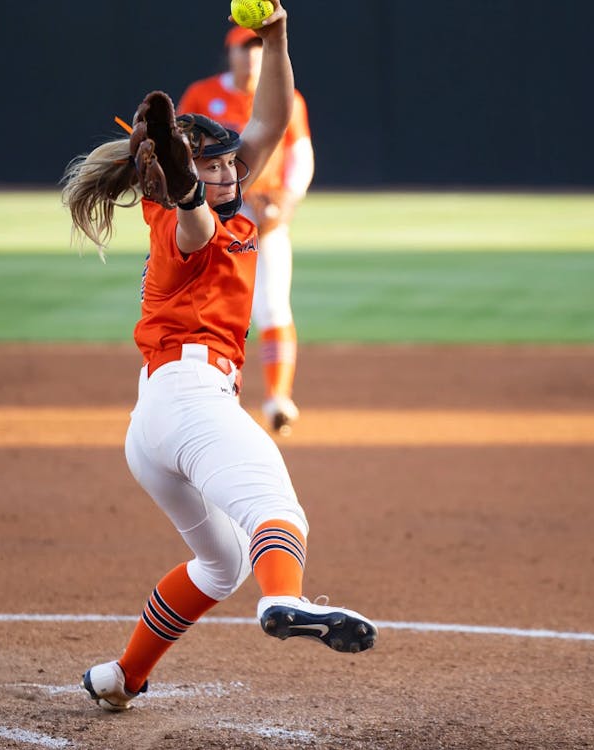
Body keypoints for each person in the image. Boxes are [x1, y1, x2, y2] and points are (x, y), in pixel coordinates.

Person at [61, 2, 376, 713]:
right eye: (213, 164)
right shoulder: (183, 223)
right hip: (192, 402)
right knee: (277, 508)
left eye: (230, 161)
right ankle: (285, 600)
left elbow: (269, 123)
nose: (230, 171)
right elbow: (194, 217)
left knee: (221, 562)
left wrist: (277, 36)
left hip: (154, 424)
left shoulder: (225, 195)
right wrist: (182, 178)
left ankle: (123, 677)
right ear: (181, 175)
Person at [178, 24, 314, 436]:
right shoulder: (202, 94)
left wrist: (288, 202)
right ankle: (219, 399)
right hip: (214, 219)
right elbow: (181, 156)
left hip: (266, 217)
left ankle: (278, 399)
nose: (252, 55)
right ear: (231, 53)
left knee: (272, 306)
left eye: (257, 47)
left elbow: (300, 155)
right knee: (215, 311)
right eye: (244, 48)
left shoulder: (288, 97)